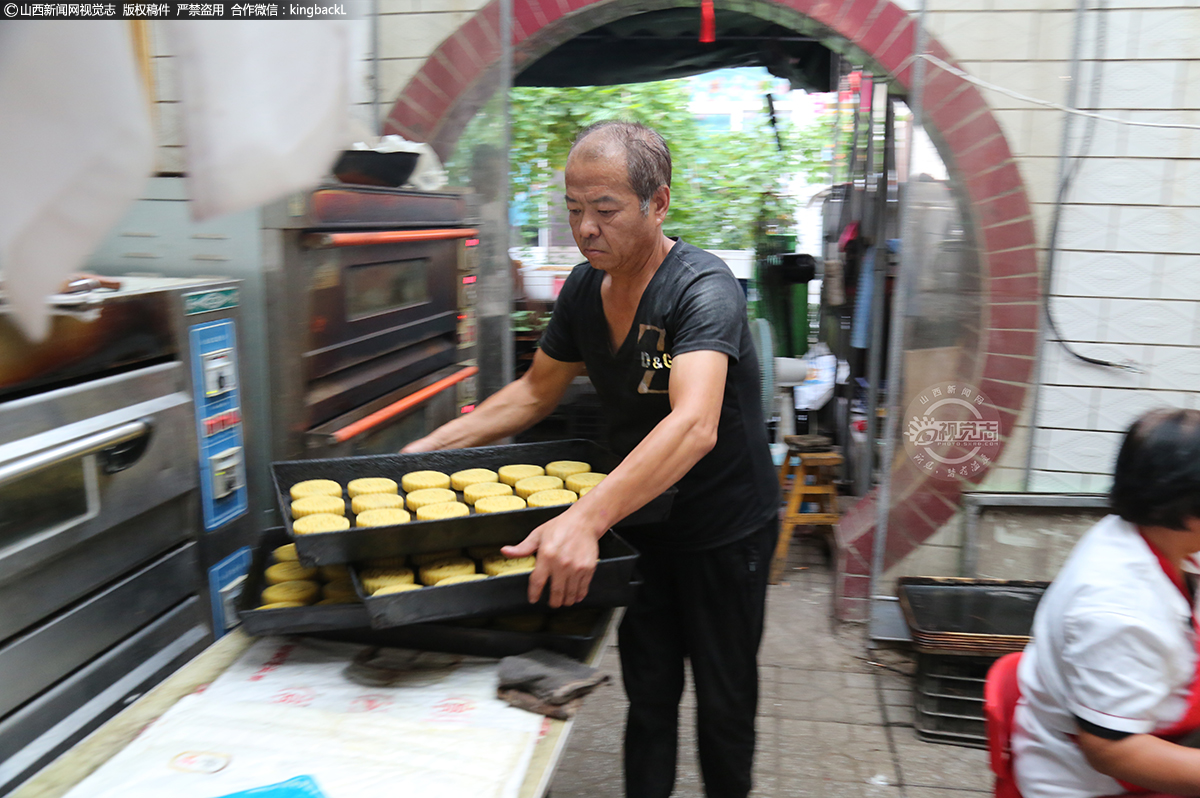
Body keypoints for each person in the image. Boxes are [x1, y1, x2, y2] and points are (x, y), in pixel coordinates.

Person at [403, 120, 779, 798]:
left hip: (723, 529)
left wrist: (582, 521)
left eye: (605, 210)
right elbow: (533, 393)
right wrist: (428, 452)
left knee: (725, 704)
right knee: (650, 690)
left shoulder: (703, 291)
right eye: (574, 209)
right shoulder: (584, 290)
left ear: (657, 203)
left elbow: (693, 424)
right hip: (641, 521)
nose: (586, 227)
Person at [1012, 407, 1200, 798]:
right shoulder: (1119, 608)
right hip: (1099, 780)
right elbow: (1111, 750)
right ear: (1188, 510)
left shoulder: (1155, 532)